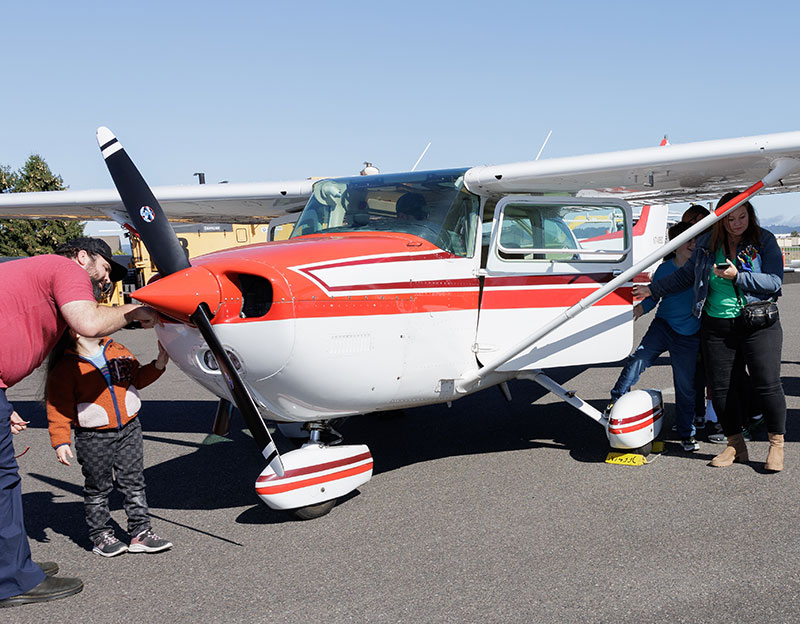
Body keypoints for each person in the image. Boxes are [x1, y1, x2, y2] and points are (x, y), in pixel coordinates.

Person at [0, 237, 157, 607]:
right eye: (103, 274)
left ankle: (13, 565)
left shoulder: (31, 275)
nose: (103, 285)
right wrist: (136, 309)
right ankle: (13, 579)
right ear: (83, 257)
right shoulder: (65, 268)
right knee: (3, 481)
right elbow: (87, 322)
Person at [634, 193, 786, 470]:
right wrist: (652, 289)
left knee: (767, 383)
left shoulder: (764, 240)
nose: (737, 223)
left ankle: (776, 445)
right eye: (730, 218)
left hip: (757, 322)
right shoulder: (706, 243)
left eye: (742, 216)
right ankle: (735, 445)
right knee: (722, 388)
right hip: (716, 325)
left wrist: (737, 276)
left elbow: (775, 282)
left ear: (750, 215)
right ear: (720, 218)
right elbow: (684, 276)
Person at [46, 331, 172, 557]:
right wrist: (61, 441)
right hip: (93, 436)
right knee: (98, 488)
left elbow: (138, 378)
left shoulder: (118, 350)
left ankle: (140, 532)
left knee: (134, 482)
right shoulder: (65, 367)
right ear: (76, 331)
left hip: (130, 428)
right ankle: (101, 535)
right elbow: (58, 407)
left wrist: (158, 364)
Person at [609, 222, 701, 451]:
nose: (693, 243)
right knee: (636, 361)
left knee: (686, 386)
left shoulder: (701, 268)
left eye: (695, 239)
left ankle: (686, 432)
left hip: (689, 335)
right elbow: (653, 296)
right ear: (676, 244)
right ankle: (615, 401)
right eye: (688, 239)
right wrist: (639, 310)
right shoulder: (664, 269)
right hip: (662, 327)